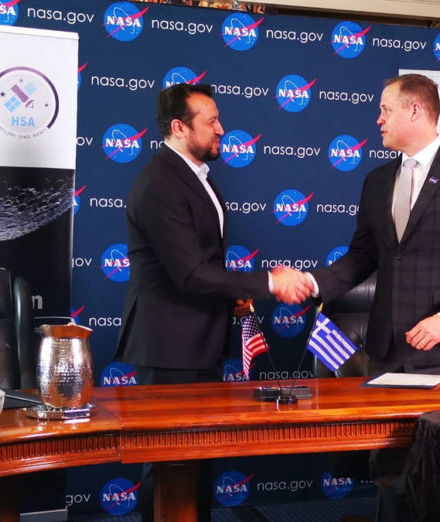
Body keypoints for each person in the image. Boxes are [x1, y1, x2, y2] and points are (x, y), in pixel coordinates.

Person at [306, 74, 440, 521]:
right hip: (386, 352)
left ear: (415, 110)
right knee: (391, 475)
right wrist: (312, 283)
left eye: (385, 109)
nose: (378, 119)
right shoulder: (377, 180)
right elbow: (361, 257)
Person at [114, 83, 310, 521]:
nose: (222, 129)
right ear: (179, 127)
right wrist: (268, 282)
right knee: (169, 465)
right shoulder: (160, 183)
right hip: (168, 347)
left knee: (195, 459)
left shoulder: (194, 177)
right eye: (212, 121)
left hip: (197, 341)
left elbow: (202, 263)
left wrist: (232, 295)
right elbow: (188, 273)